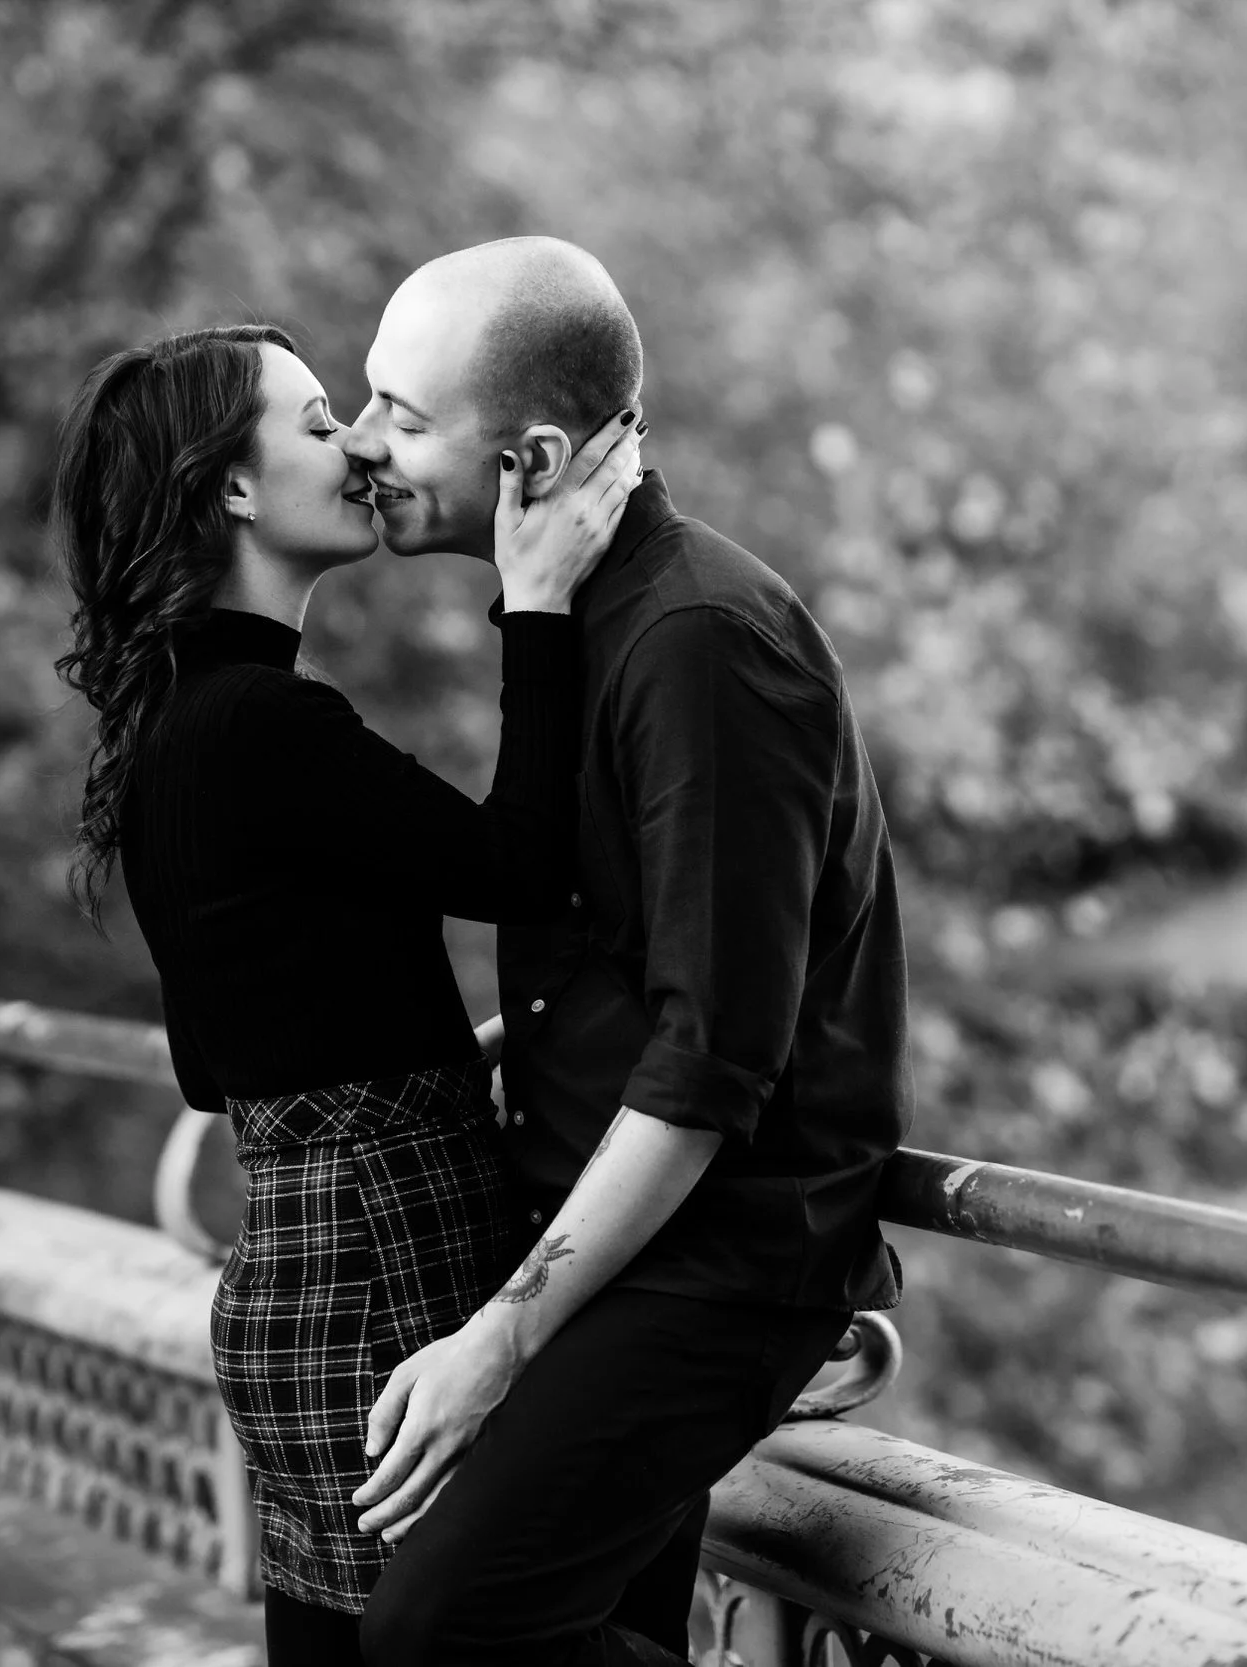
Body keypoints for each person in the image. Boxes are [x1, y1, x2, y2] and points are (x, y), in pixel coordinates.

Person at [335, 239, 912, 1667]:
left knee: (438, 1634)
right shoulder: (579, 616)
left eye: (400, 415)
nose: (359, 444)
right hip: (608, 1229)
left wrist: (500, 1342)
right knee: (582, 1623)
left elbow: (713, 1056)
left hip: (720, 1261)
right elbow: (607, 965)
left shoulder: (701, 638)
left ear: (530, 455)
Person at [50, 322, 644, 1666]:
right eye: (319, 422)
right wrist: (535, 599)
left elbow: (217, 1059)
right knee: (484, 1636)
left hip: (297, 1261)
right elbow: (526, 868)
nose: (360, 444)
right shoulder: (262, 726)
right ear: (235, 490)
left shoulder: (170, 733)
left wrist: (433, 1047)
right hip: (386, 1258)